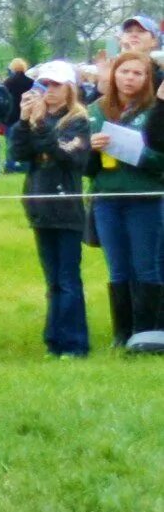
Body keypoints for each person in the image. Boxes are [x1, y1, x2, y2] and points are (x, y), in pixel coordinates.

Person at [9, 61, 93, 358]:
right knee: (53, 280)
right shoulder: (36, 117)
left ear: (70, 88)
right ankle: (54, 340)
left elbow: (67, 156)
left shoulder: (78, 121)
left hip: (66, 207)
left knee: (68, 278)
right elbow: (19, 153)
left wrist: (41, 126)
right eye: (45, 84)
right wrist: (23, 121)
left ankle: (75, 343)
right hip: (40, 204)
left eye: (56, 85)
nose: (50, 91)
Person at [89, 51, 164, 348]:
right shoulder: (98, 110)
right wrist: (91, 150)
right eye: (124, 72)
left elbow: (160, 156)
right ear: (114, 74)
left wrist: (137, 154)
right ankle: (122, 335)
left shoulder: (154, 111)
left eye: (137, 73)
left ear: (147, 78)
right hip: (107, 198)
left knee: (145, 266)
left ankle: (145, 335)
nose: (130, 78)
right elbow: (85, 166)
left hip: (144, 196)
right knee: (117, 267)